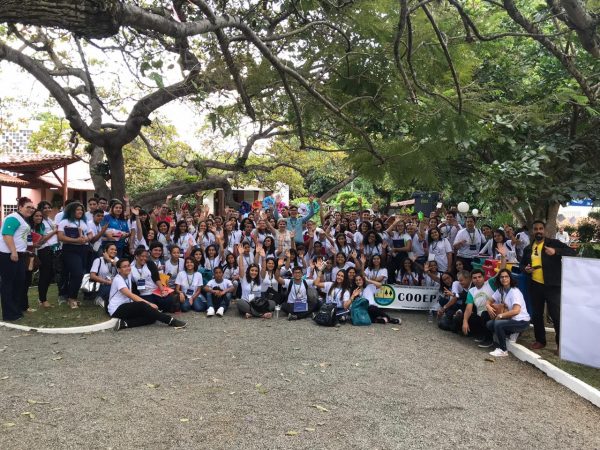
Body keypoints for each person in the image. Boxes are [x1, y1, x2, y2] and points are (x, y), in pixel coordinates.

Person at [521, 220, 576, 352]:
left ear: (544, 231)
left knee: (556, 315)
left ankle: (560, 344)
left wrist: (555, 251)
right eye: (536, 229)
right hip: (535, 286)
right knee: (537, 315)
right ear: (532, 231)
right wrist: (525, 269)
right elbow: (521, 265)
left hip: (552, 286)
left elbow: (572, 252)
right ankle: (540, 341)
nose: (538, 231)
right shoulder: (528, 248)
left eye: (541, 229)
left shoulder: (553, 243)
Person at [108, 259, 186, 330]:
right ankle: (170, 320)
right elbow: (131, 295)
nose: (128, 268)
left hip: (127, 307)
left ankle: (124, 324)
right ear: (119, 270)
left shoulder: (127, 275)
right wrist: (149, 304)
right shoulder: (118, 279)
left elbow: (142, 265)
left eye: (128, 266)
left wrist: (155, 268)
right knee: (142, 305)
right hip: (117, 309)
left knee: (151, 316)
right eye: (124, 267)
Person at [0, 197, 35, 320]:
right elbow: (7, 235)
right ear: (20, 207)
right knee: (8, 284)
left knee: (18, 283)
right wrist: (13, 252)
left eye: (32, 207)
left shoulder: (23, 219)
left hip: (20, 254)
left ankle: (16, 310)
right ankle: (9, 314)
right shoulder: (13, 218)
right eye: (28, 207)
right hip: (9, 255)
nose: (31, 209)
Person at [485, 268, 531, 357]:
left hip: (521, 321)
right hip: (511, 320)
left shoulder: (515, 292)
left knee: (498, 324)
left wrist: (501, 315)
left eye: (506, 276)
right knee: (490, 324)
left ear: (510, 278)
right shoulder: (501, 290)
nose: (504, 279)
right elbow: (489, 301)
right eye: (502, 277)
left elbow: (516, 311)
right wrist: (488, 306)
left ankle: (503, 350)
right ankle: (512, 333)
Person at [57, 201, 93, 309]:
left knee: (79, 274)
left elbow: (90, 233)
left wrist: (87, 238)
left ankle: (72, 297)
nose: (80, 211)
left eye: (81, 209)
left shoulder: (84, 222)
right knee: (77, 273)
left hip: (83, 249)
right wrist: (76, 240)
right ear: (71, 211)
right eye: (77, 209)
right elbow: (61, 237)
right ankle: (71, 298)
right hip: (70, 250)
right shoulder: (65, 222)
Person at [461, 269, 496, 348]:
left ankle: (489, 340)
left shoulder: (490, 283)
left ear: (484, 277)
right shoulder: (471, 291)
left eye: (479, 277)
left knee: (484, 314)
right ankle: (481, 334)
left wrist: (503, 258)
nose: (477, 279)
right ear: (472, 280)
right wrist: (465, 321)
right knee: (468, 317)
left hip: (493, 312)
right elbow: (468, 308)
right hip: (481, 315)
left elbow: (500, 272)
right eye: (474, 278)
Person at [37, 201, 59, 308]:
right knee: (45, 275)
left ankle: (42, 298)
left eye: (49, 207)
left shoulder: (49, 220)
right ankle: (43, 300)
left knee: (50, 274)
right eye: (44, 208)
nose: (47, 209)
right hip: (44, 250)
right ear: (40, 209)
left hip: (52, 250)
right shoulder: (40, 221)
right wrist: (54, 231)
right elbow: (41, 239)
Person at [89, 242, 119, 309]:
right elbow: (92, 276)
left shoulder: (116, 260)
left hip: (113, 284)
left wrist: (109, 259)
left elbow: (121, 269)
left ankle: (109, 300)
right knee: (111, 285)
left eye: (115, 250)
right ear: (105, 250)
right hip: (101, 285)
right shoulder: (98, 260)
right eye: (111, 249)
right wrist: (107, 281)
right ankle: (100, 298)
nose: (114, 251)